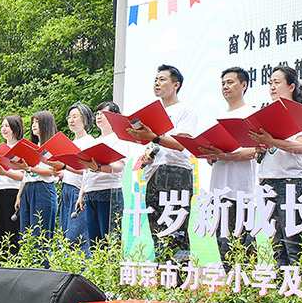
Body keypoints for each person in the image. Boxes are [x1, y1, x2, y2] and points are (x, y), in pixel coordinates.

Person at [127, 65, 198, 263]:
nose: (157, 83)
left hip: (176, 174)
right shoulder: (152, 114)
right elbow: (155, 143)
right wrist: (148, 153)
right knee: (158, 229)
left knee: (177, 230)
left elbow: (182, 144)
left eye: (162, 79)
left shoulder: (185, 111)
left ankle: (181, 280)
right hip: (154, 174)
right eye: (155, 80)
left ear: (176, 85)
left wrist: (155, 138)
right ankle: (164, 276)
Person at [249, 66, 302, 267]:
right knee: (276, 245)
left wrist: (273, 141)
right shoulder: (266, 114)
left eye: (277, 82)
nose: (272, 87)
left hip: (291, 183)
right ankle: (281, 292)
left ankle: (298, 293)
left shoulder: (301, 113)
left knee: (293, 244)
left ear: (291, 86)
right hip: (267, 182)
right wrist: (260, 146)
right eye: (270, 83)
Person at [203, 67, 258, 269]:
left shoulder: (252, 114)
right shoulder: (216, 117)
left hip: (242, 191)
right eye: (223, 83)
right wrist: (210, 155)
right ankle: (234, 292)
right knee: (224, 246)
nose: (225, 87)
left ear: (244, 85)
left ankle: (251, 294)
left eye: (231, 82)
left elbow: (256, 150)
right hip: (219, 191)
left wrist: (227, 155)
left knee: (245, 246)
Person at [75, 102, 128, 257]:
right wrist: (81, 194)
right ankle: (97, 274)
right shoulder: (94, 141)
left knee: (110, 238)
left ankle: (111, 276)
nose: (99, 117)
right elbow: (87, 170)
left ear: (114, 117)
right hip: (90, 192)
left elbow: (118, 166)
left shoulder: (119, 139)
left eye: (103, 114)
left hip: (109, 192)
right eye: (97, 114)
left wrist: (98, 168)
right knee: (95, 241)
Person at [16, 111, 60, 262]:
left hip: (44, 189)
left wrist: (30, 168)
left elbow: (52, 172)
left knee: (40, 235)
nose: (33, 126)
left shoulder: (53, 146)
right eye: (32, 122)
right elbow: (25, 174)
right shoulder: (32, 147)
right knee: (25, 234)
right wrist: (19, 194)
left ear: (46, 124)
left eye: (37, 122)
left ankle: (42, 271)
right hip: (28, 188)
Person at [58, 103, 94, 254]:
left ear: (85, 120)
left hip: (79, 191)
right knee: (64, 234)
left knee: (77, 236)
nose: (71, 120)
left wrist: (65, 167)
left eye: (75, 116)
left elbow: (88, 170)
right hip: (66, 188)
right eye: (69, 117)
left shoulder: (89, 142)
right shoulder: (71, 142)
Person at [0, 115, 24, 258]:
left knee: (13, 232)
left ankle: (14, 263)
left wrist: (5, 172)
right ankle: (2, 261)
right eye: (2, 126)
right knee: (0, 232)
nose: (4, 129)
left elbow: (24, 175)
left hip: (13, 191)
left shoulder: (21, 148)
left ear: (16, 128)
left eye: (7, 126)